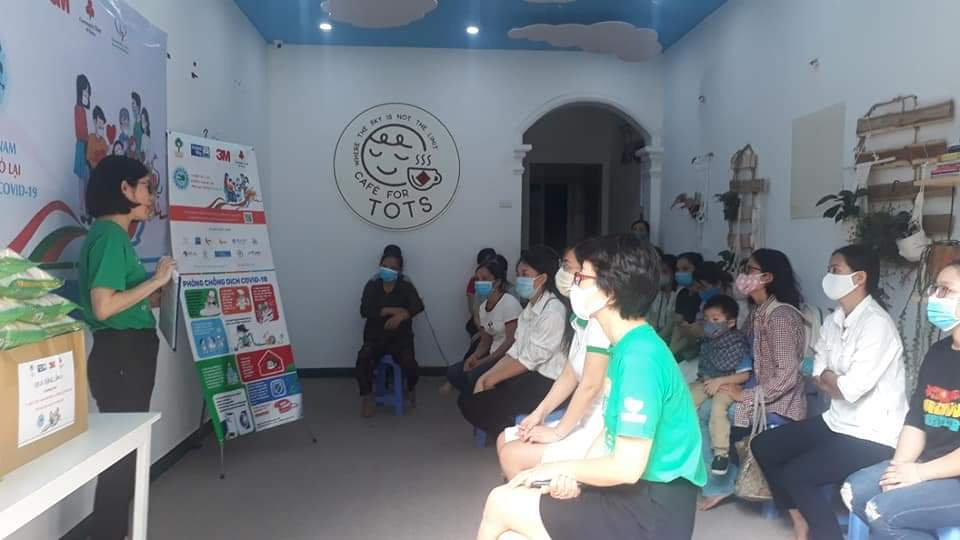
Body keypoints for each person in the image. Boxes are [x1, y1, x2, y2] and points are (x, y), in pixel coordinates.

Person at [476, 234, 706, 540]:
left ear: (609, 292)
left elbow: (625, 468)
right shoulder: (626, 346)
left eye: (581, 277)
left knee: (501, 502)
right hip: (631, 494)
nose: (573, 284)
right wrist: (574, 477)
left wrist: (553, 470)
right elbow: (607, 435)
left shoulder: (640, 359)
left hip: (650, 511)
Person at [749, 245, 907, 540]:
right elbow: (817, 371)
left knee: (799, 474)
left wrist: (832, 380)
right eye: (829, 269)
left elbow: (850, 390)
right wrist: (833, 380)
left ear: (859, 278)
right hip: (836, 421)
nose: (828, 276)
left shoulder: (877, 325)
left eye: (836, 270)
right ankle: (800, 520)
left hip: (872, 434)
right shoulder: (835, 320)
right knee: (764, 445)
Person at [78, 155, 176, 540]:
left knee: (124, 457)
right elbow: (103, 306)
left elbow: (121, 298)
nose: (152, 197)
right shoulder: (108, 236)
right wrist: (156, 281)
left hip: (126, 354)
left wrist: (157, 293)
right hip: (121, 357)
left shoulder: (115, 236)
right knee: (120, 461)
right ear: (125, 189)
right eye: (147, 187)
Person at [843, 259, 960, 539]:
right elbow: (917, 420)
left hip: (949, 475)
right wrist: (897, 470)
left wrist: (919, 474)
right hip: (929, 463)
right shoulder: (938, 352)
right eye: (935, 289)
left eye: (945, 290)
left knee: (882, 513)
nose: (935, 297)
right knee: (854, 492)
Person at [699, 248, 808, 511]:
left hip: (780, 402)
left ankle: (723, 482)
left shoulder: (780, 317)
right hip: (756, 391)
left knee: (709, 413)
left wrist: (745, 395)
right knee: (700, 407)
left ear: (767, 277)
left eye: (749, 270)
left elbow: (787, 376)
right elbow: (741, 352)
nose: (743, 275)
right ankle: (724, 478)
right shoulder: (758, 313)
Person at [497, 242, 611, 479]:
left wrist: (558, 432)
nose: (565, 275)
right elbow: (569, 375)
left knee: (511, 454)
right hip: (580, 418)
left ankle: (529, 498)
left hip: (598, 427)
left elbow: (590, 386)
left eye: (571, 269)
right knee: (504, 439)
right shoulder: (581, 320)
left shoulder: (601, 324)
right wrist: (539, 414)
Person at [458, 245, 569, 439]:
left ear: (542, 278)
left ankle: (514, 434)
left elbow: (529, 360)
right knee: (471, 392)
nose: (519, 279)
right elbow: (516, 351)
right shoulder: (531, 307)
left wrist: (491, 379)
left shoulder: (553, 312)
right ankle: (507, 432)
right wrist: (488, 376)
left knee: (474, 402)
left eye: (525, 274)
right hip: (530, 373)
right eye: (518, 274)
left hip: (547, 383)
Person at [357, 245, 424, 417]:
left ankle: (410, 387)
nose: (388, 270)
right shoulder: (373, 284)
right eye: (385, 266)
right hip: (375, 337)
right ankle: (367, 397)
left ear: (400, 270)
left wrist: (403, 315)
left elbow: (418, 305)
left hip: (400, 339)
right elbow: (365, 310)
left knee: (410, 364)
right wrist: (391, 310)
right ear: (380, 265)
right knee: (363, 359)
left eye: (393, 268)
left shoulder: (405, 284)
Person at [688, 294, 751, 476]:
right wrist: (710, 380)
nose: (709, 323)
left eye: (715, 319)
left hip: (728, 384)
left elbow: (745, 375)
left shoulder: (738, 344)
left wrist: (720, 381)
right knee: (685, 399)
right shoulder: (708, 342)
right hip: (707, 381)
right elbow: (704, 370)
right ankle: (682, 445)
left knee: (717, 408)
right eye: (707, 319)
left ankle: (721, 454)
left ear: (730, 322)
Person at [447, 255, 522, 393]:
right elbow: (485, 342)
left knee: (473, 376)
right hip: (492, 355)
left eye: (484, 279)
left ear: (497, 282)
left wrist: (483, 361)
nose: (479, 283)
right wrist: (474, 357)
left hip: (508, 357)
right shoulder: (483, 308)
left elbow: (510, 342)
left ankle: (479, 399)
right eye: (477, 279)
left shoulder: (509, 303)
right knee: (454, 372)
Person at [647, 253, 677, 341]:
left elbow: (671, 326)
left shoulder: (678, 295)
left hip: (669, 339)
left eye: (664, 272)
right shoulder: (658, 294)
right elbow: (651, 320)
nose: (660, 275)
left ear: (674, 274)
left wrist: (656, 340)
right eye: (658, 272)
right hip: (655, 336)